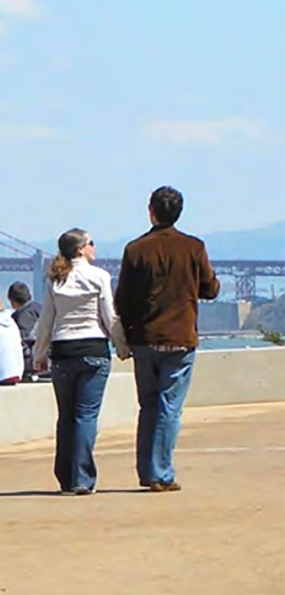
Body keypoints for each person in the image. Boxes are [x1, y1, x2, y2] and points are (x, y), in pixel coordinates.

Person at [115, 186, 220, 493]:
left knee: (148, 405)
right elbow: (210, 289)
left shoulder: (135, 249)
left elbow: (123, 299)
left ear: (151, 211)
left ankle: (147, 471)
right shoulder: (194, 247)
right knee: (169, 407)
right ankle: (160, 473)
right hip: (180, 337)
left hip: (145, 338)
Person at [33, 228, 129, 496]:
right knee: (86, 415)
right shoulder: (99, 277)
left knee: (66, 416)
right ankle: (82, 478)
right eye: (91, 243)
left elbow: (46, 323)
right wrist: (121, 346)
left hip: (63, 352)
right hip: (94, 350)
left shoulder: (55, 280)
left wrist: (40, 355)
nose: (94, 248)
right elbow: (109, 317)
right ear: (80, 249)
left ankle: (65, 478)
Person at [7, 281, 42, 380]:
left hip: (32, 366)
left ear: (12, 301)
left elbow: (24, 342)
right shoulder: (40, 308)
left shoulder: (21, 316)